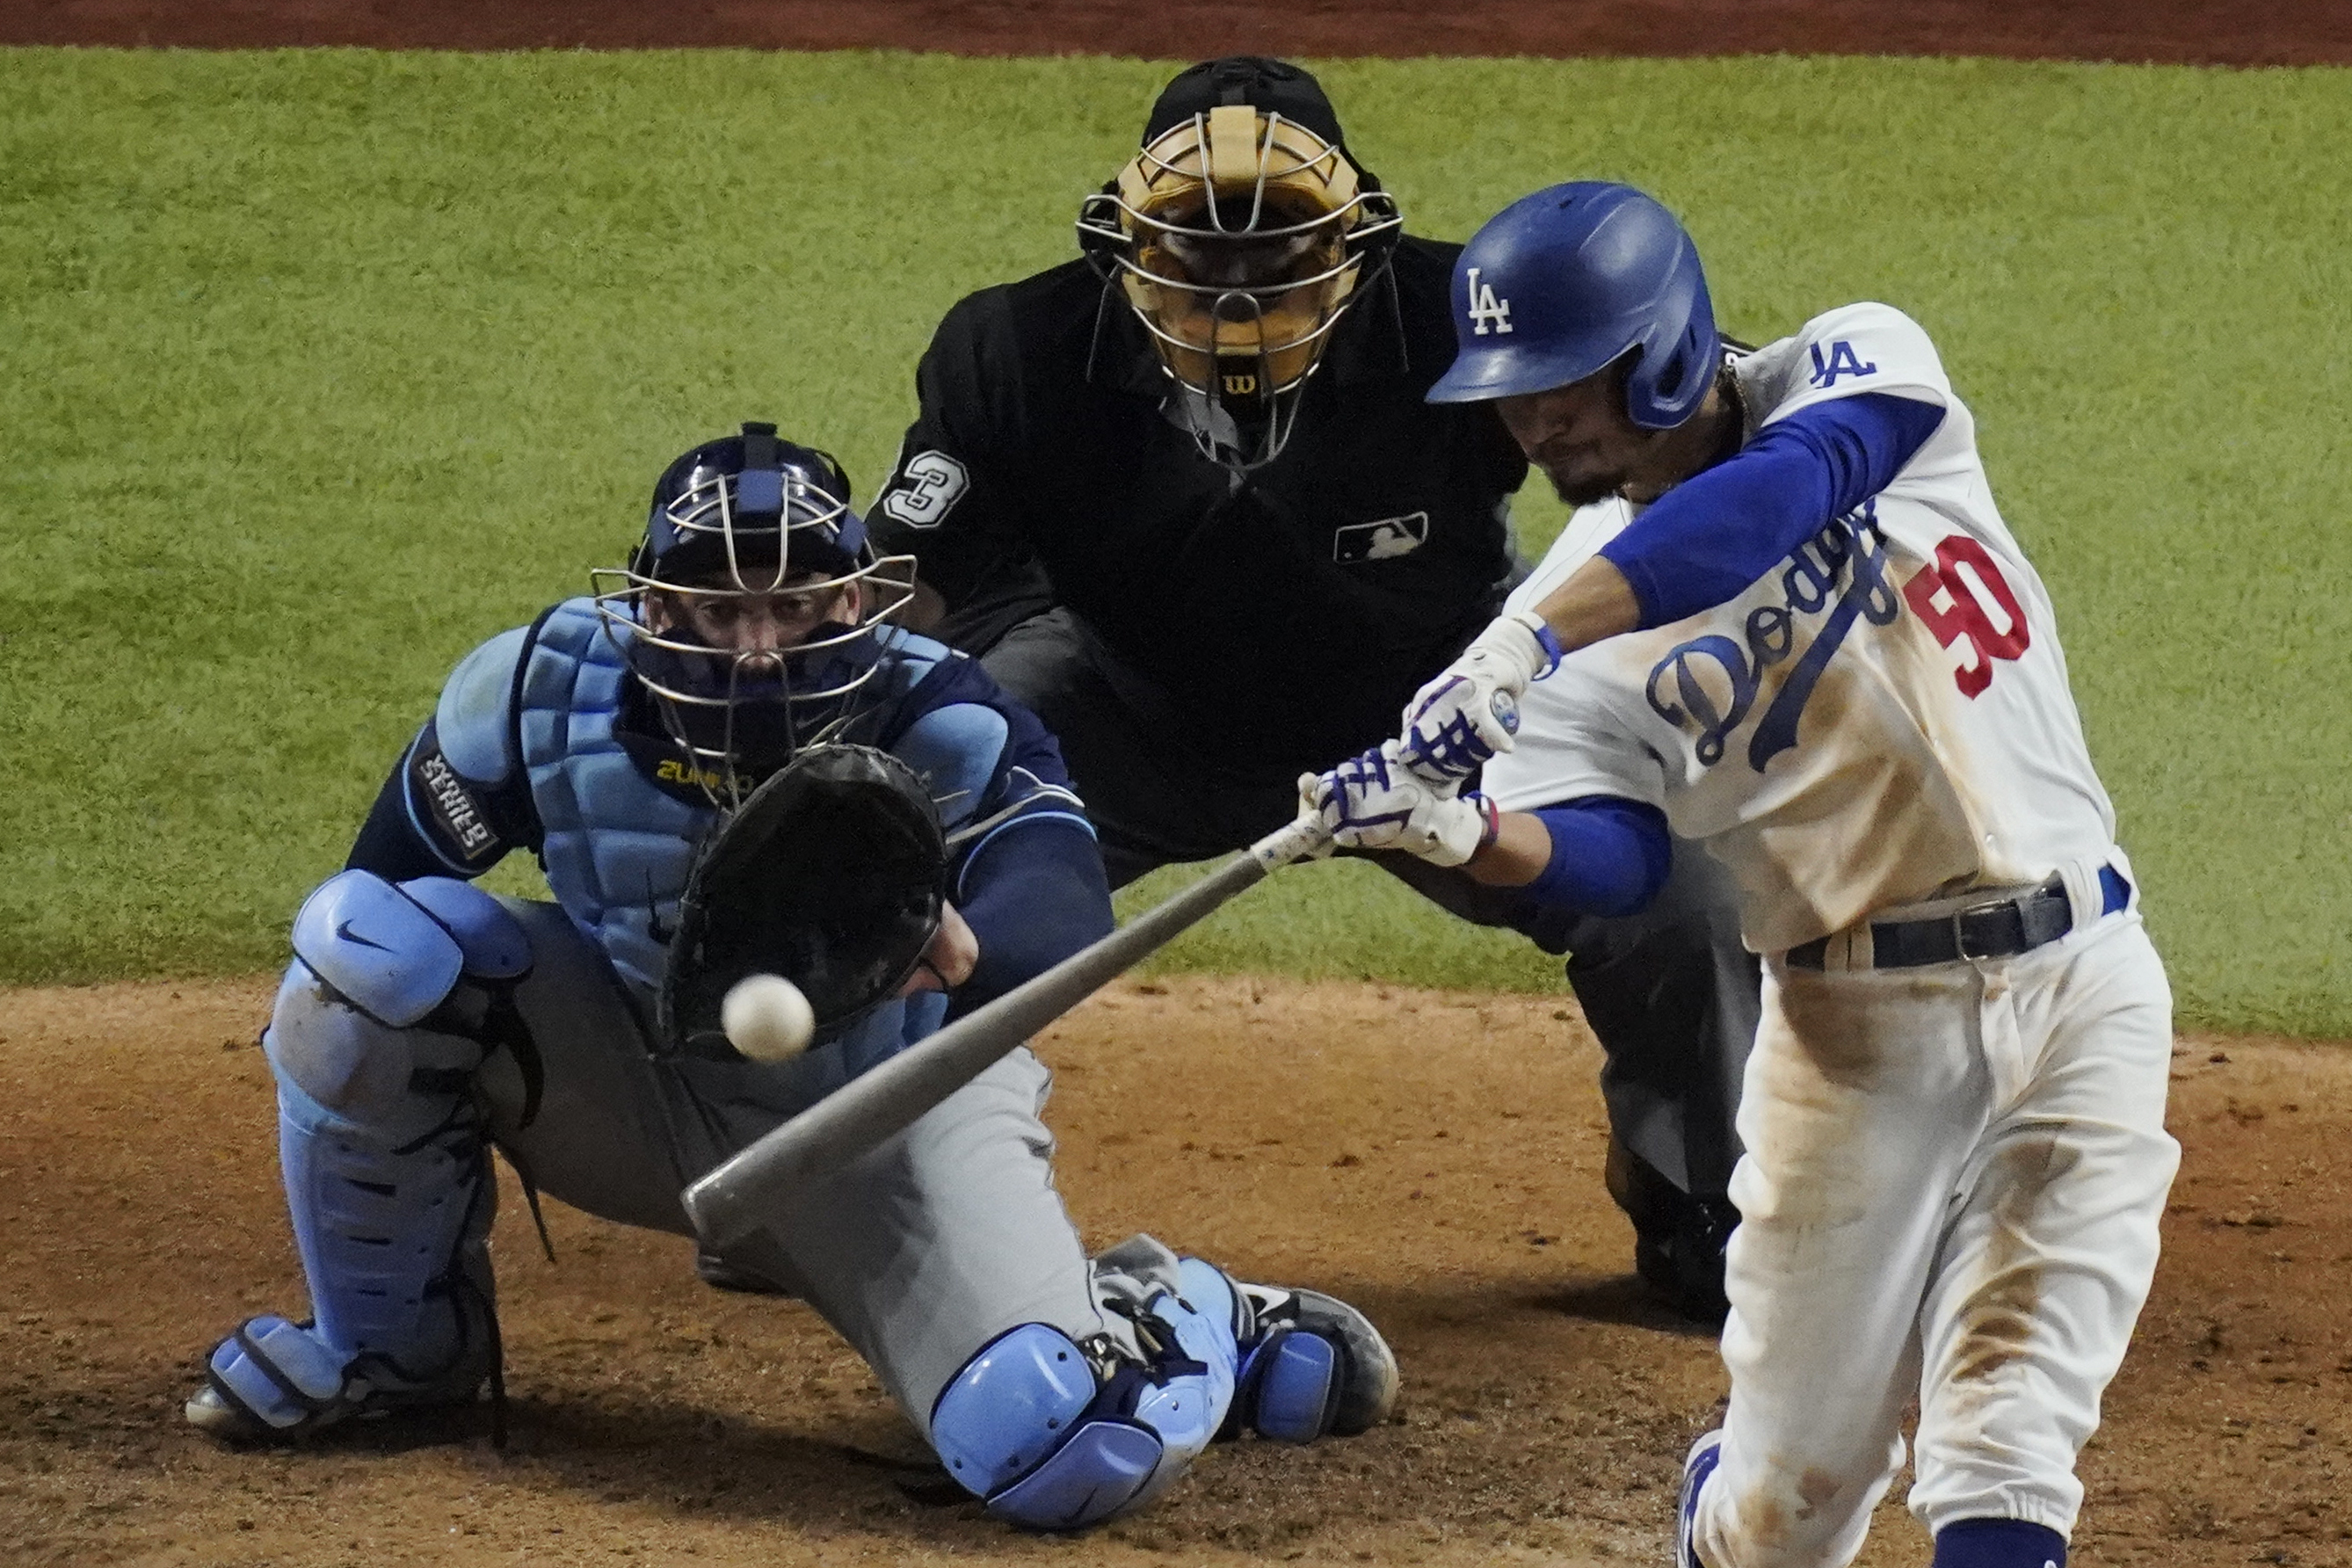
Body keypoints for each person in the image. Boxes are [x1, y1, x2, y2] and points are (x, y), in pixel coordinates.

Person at [185, 423, 1399, 1531]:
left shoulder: (943, 717)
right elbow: (380, 889)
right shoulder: (533, 694)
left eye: (800, 607)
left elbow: (1059, 898)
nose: (759, 648)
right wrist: (345, 1039)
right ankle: (397, 1351)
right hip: (642, 1086)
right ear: (652, 604)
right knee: (366, 957)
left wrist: (958, 945)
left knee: (1056, 1448)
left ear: (857, 603)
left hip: (885, 1118)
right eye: (717, 609)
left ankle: (1175, 1312)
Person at [1304, 183, 2176, 1568]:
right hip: (1856, 1048)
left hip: (2085, 986)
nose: (1536, 425)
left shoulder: (1855, 366)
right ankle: (1722, 1516)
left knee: (2009, 1443)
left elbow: (1777, 496)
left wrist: (1519, 652)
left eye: (1562, 382)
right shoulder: (1556, 634)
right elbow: (1620, 857)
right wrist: (1464, 836)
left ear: (1658, 341)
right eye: (1511, 397)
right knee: (1788, 1517)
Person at [867, 54, 1757, 1321]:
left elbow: (1671, 436)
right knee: (897, 832)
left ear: (1358, 237)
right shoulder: (1016, 348)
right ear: (1126, 237)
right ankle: (844, 1176)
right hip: (1120, 710)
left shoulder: (1458, 313)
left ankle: (1704, 1198)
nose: (1236, 280)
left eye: (1279, 242)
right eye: (1194, 242)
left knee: (1680, 888)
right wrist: (828, 706)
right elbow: (910, 584)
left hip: (1426, 713)